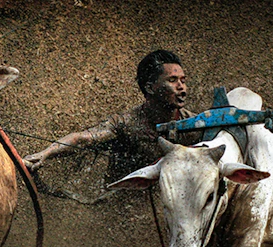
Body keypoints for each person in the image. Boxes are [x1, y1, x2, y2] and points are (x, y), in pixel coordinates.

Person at [24, 49, 202, 183]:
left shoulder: (197, 125)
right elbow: (82, 139)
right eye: (172, 80)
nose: (182, 87)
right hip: (123, 204)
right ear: (150, 88)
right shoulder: (127, 123)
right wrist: (45, 154)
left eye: (183, 81)